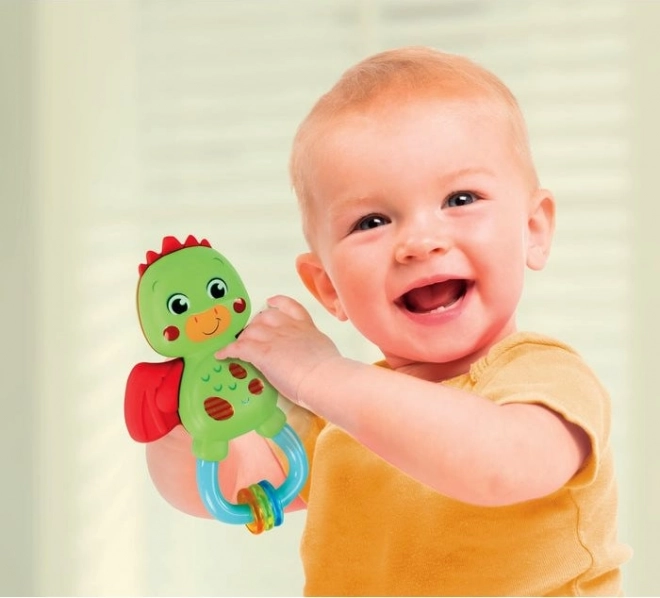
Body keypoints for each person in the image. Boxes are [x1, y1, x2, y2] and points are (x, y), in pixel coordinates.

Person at [145, 46, 632, 596]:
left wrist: (322, 374)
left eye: (460, 198)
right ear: (329, 288)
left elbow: (500, 466)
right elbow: (221, 488)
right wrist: (187, 419)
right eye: (372, 221)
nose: (420, 242)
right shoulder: (340, 421)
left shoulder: (547, 380)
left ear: (533, 230)